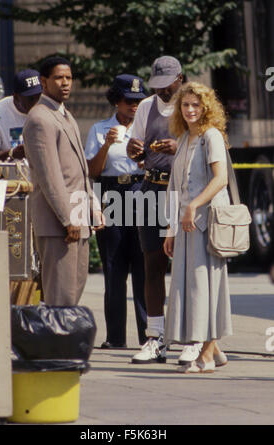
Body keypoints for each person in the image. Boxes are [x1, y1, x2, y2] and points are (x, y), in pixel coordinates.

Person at [127, 55, 200, 364]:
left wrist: (179, 145)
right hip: (152, 189)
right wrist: (134, 149)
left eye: (167, 86)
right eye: (156, 86)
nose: (162, 92)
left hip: (183, 193)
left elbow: (211, 144)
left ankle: (193, 338)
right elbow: (135, 146)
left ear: (179, 79)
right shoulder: (146, 106)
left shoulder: (192, 106)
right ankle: (154, 338)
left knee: (187, 267)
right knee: (152, 265)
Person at [23, 56, 104, 306]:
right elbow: (50, 177)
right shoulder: (40, 118)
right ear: (44, 82)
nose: (65, 83)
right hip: (58, 222)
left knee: (74, 290)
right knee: (60, 295)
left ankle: (64, 343)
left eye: (69, 78)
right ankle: (56, 345)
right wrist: (68, 218)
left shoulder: (65, 114)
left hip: (77, 217)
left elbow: (79, 171)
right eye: (59, 78)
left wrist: (93, 207)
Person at [163, 81, 232, 373]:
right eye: (185, 105)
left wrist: (194, 206)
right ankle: (213, 351)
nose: (190, 110)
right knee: (190, 288)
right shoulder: (183, 139)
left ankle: (205, 354)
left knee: (205, 287)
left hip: (207, 223)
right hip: (186, 225)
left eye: (196, 105)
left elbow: (221, 179)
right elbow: (174, 187)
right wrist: (169, 229)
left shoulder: (211, 136)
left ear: (206, 108)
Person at [85, 74, 147, 348]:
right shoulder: (100, 129)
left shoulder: (147, 127)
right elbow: (92, 171)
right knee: (113, 266)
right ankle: (115, 338)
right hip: (111, 192)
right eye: (127, 100)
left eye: (137, 100)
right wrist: (107, 144)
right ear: (116, 100)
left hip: (142, 191)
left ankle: (150, 335)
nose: (133, 105)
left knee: (145, 266)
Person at [0, 69, 42, 161]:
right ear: (16, 97)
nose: (36, 103)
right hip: (13, 174)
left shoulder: (48, 108)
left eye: (39, 97)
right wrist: (12, 153)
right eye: (30, 99)